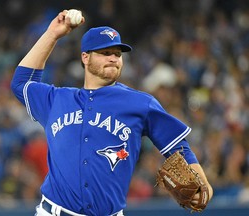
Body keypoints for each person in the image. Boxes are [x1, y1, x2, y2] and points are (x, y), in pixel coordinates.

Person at [11, 9, 213, 216]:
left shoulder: (139, 103)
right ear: (85, 57)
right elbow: (21, 82)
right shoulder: (57, 99)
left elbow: (179, 147)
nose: (113, 58)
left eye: (117, 54)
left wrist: (202, 182)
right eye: (105, 53)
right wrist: (52, 34)